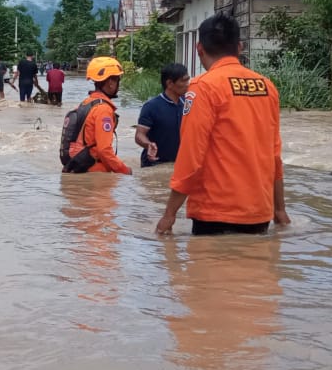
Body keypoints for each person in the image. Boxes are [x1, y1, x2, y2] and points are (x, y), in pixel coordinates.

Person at [155, 14, 288, 236]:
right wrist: (280, 210)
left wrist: (169, 214)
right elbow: (274, 155)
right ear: (239, 47)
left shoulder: (203, 87)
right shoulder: (267, 87)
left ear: (199, 48)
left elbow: (191, 156)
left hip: (215, 213)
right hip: (260, 213)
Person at [64, 56, 132, 174]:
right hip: (94, 173)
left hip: (78, 168)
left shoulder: (87, 103)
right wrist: (125, 171)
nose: (118, 85)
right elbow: (104, 150)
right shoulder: (103, 110)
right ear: (111, 83)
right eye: (117, 80)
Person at [135, 63, 190, 167]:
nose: (188, 84)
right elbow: (139, 135)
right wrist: (148, 144)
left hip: (179, 164)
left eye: (188, 80)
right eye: (184, 80)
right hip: (154, 165)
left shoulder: (187, 104)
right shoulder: (151, 106)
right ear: (169, 83)